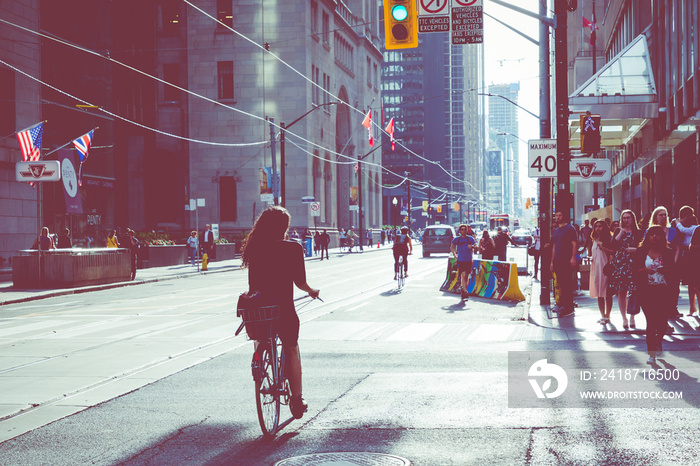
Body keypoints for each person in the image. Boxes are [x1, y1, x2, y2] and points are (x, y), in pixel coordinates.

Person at [241, 206, 320, 419]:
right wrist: (311, 291)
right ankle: (296, 399)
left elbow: (253, 284)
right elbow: (300, 282)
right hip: (284, 309)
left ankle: (260, 359)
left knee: (261, 336)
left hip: (259, 311)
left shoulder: (254, 247)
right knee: (291, 348)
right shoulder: (292, 248)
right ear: (284, 227)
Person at [632, 225, 677, 364]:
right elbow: (633, 271)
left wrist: (666, 270)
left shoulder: (667, 252)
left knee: (662, 323)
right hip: (646, 291)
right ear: (647, 236)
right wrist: (644, 270)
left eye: (657, 234)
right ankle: (651, 354)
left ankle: (658, 341)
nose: (654, 237)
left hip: (663, 291)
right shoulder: (641, 251)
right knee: (651, 322)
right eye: (651, 234)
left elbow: (675, 274)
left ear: (661, 237)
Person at [610, 210, 643, 329]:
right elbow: (612, 245)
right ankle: (624, 318)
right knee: (621, 291)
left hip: (634, 263)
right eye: (624, 218)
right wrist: (621, 233)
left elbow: (643, 247)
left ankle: (632, 316)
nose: (626, 220)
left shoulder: (638, 232)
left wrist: (634, 250)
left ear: (632, 219)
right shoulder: (618, 231)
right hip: (621, 263)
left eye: (628, 218)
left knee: (634, 290)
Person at [648, 206, 682, 320]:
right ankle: (662, 309)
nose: (663, 217)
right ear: (656, 217)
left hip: (671, 262)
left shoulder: (672, 230)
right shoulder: (651, 231)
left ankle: (673, 308)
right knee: (660, 287)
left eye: (665, 215)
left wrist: (675, 261)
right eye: (660, 215)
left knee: (674, 287)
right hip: (657, 263)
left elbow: (677, 247)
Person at [671, 207, 699, 316]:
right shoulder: (690, 227)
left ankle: (693, 307)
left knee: (694, 284)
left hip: (692, 256)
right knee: (690, 283)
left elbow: (683, 230)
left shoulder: (695, 228)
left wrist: (677, 222)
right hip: (687, 256)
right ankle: (692, 307)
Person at [550, 209, 578, 317]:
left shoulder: (570, 229)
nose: (557, 217)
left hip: (566, 260)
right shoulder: (556, 231)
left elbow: (574, 244)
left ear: (563, 216)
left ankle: (568, 307)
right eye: (556, 215)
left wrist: (573, 257)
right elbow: (554, 247)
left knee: (567, 284)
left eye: (559, 215)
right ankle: (562, 305)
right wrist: (552, 262)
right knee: (560, 284)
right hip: (557, 261)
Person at [590, 220, 615, 324]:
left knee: (607, 293)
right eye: (596, 226)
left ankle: (607, 315)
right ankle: (602, 315)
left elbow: (613, 252)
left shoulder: (609, 238)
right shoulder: (594, 239)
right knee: (599, 293)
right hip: (596, 268)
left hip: (606, 269)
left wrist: (603, 247)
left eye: (600, 226)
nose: (598, 228)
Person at [451, 224, 477, 301]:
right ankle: (465, 291)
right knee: (463, 274)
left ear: (466, 230)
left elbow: (475, 246)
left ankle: (463, 289)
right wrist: (454, 254)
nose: (463, 231)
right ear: (459, 231)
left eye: (465, 229)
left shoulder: (470, 239)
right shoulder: (457, 239)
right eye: (462, 229)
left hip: (468, 260)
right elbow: (452, 246)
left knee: (466, 276)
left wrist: (472, 247)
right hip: (460, 260)